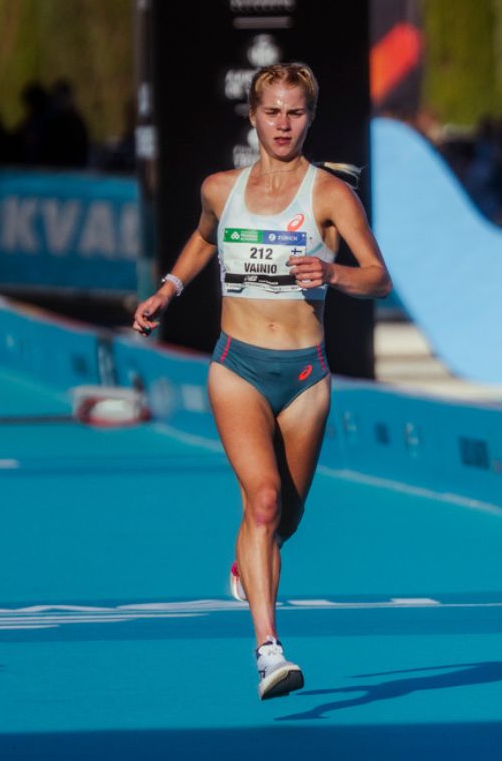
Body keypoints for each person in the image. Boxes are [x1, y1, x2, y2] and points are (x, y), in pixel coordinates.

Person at [131, 63, 392, 701]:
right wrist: (169, 288)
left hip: (305, 377)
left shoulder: (332, 195)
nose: (283, 124)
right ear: (252, 116)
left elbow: (379, 277)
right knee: (266, 501)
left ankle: (246, 555)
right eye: (272, 111)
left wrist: (333, 275)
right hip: (237, 367)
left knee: (285, 520)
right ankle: (269, 651)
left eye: (295, 113)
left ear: (310, 118)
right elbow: (203, 238)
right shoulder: (221, 189)